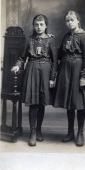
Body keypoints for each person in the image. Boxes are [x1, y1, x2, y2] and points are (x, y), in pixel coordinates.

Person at [11, 14, 58, 146]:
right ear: (33, 26)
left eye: (41, 24)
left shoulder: (51, 40)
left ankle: (38, 130)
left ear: (46, 25)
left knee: (41, 102)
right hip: (31, 71)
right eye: (36, 24)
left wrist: (52, 78)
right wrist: (17, 65)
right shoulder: (28, 39)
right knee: (33, 103)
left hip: (45, 72)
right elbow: (22, 57)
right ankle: (32, 132)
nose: (39, 27)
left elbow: (55, 62)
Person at [53, 11, 85, 146]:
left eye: (72, 20)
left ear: (78, 21)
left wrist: (83, 76)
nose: (69, 23)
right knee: (69, 103)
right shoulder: (66, 36)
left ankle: (80, 133)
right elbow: (59, 54)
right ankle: (70, 132)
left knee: (79, 103)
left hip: (78, 72)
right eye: (67, 20)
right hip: (65, 71)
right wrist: (50, 40)